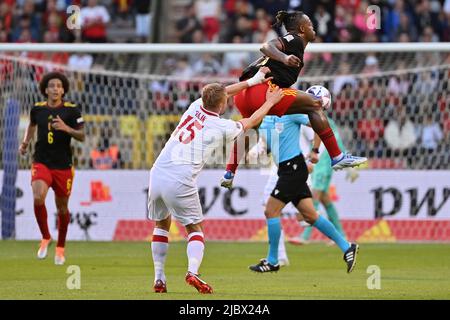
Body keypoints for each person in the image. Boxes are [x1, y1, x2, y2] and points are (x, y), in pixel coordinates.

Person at [148, 67, 283, 294]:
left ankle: (159, 278)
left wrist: (253, 81)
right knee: (195, 230)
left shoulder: (194, 107)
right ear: (222, 105)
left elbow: (224, 91)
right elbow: (250, 122)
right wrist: (269, 102)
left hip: (158, 171)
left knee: (161, 224)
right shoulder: (223, 126)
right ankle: (193, 272)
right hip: (180, 178)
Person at [220, 10, 367, 189]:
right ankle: (337, 157)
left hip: (244, 95)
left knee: (250, 128)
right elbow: (266, 46)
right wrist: (285, 57)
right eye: (311, 26)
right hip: (262, 89)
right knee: (315, 104)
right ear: (302, 28)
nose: (314, 29)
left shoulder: (295, 47)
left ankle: (229, 172)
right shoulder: (294, 39)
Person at [248, 113, 359, 274]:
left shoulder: (291, 111)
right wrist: (258, 149)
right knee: (310, 216)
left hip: (293, 169)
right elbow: (268, 145)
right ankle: (347, 247)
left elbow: (319, 124)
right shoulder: (266, 119)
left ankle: (273, 260)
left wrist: (315, 150)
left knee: (271, 210)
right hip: (287, 170)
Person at [19, 72, 85, 265]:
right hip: (41, 161)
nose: (55, 88)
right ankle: (46, 237)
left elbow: (82, 136)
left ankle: (60, 248)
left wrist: (67, 129)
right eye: (52, 86)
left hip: (64, 165)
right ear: (45, 90)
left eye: (59, 86)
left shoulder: (72, 111)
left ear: (63, 90)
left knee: (62, 207)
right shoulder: (37, 109)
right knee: (38, 196)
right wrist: (25, 143)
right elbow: (31, 126)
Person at [288, 116, 359, 246]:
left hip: (323, 165)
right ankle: (341, 235)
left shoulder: (318, 118)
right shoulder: (307, 117)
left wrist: (348, 165)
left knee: (313, 199)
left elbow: (336, 142)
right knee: (325, 200)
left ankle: (305, 236)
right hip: (316, 165)